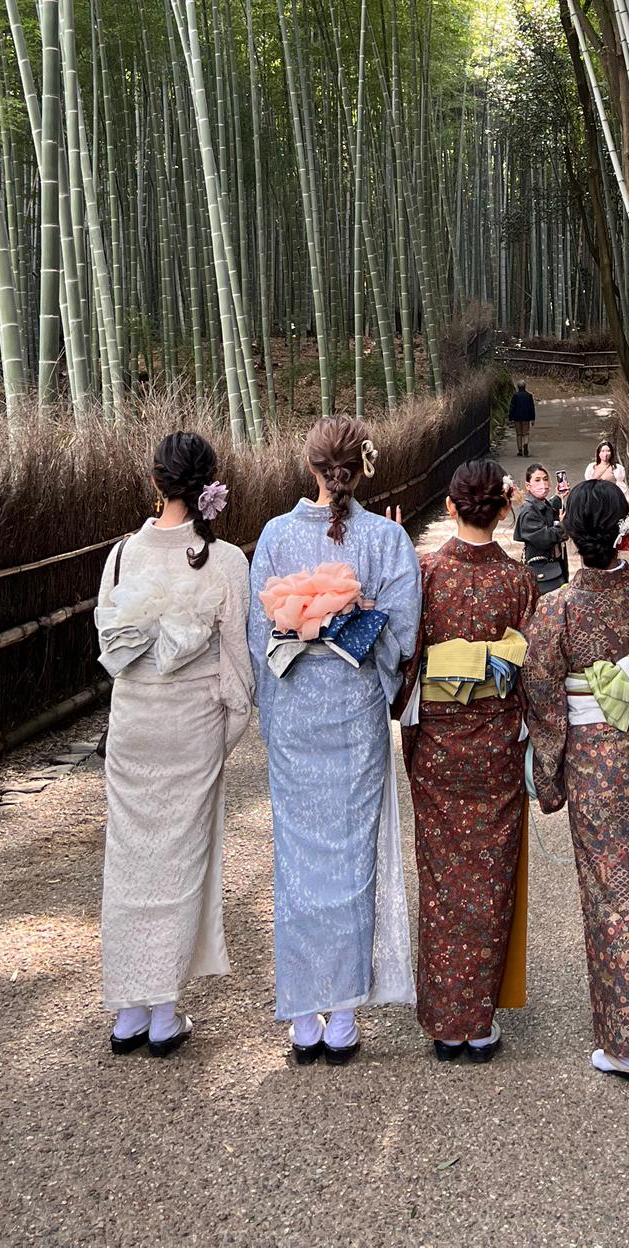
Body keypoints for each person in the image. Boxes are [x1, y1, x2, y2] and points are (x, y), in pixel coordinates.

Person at [247, 414, 422, 1065]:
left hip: (295, 716)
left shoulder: (273, 536)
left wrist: (273, 702)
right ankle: (344, 1016)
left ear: (310, 467)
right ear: (360, 467)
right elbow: (401, 639)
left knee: (297, 863)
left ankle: (303, 1016)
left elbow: (256, 636)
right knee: (352, 862)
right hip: (352, 720)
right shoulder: (386, 540)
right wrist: (351, 627)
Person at [521, 477, 629, 1085]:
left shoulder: (557, 610)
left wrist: (550, 775)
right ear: (624, 532)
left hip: (595, 766)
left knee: (613, 896)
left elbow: (540, 695)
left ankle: (628, 1043)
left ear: (570, 534)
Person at [96, 431, 254, 1059]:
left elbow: (111, 649)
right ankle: (164, 1010)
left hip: (134, 724)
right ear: (208, 487)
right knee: (183, 859)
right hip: (191, 727)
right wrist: (225, 735)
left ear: (156, 483)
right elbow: (239, 674)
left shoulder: (119, 556)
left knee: (130, 861)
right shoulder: (225, 563)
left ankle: (128, 1010)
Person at [399, 458, 538, 1062]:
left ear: (452, 508)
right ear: (505, 509)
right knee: (489, 876)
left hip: (439, 745)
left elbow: (405, 661)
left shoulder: (425, 574)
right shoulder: (519, 582)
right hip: (495, 746)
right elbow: (532, 673)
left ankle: (443, 1021)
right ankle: (477, 1021)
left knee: (442, 874)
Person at [512, 463, 569, 595]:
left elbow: (552, 513)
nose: (542, 484)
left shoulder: (544, 504)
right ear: (528, 486)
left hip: (555, 566)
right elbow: (544, 538)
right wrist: (564, 525)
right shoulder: (529, 512)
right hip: (542, 570)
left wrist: (559, 498)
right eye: (537, 480)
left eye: (545, 479)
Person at [508, 380, 537, 456]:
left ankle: (520, 450)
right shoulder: (529, 396)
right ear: (525, 386)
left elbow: (512, 407)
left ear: (518, 387)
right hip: (526, 418)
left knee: (519, 434)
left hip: (517, 418)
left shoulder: (515, 396)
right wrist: (532, 418)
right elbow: (531, 408)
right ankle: (526, 444)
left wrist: (510, 418)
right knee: (526, 433)